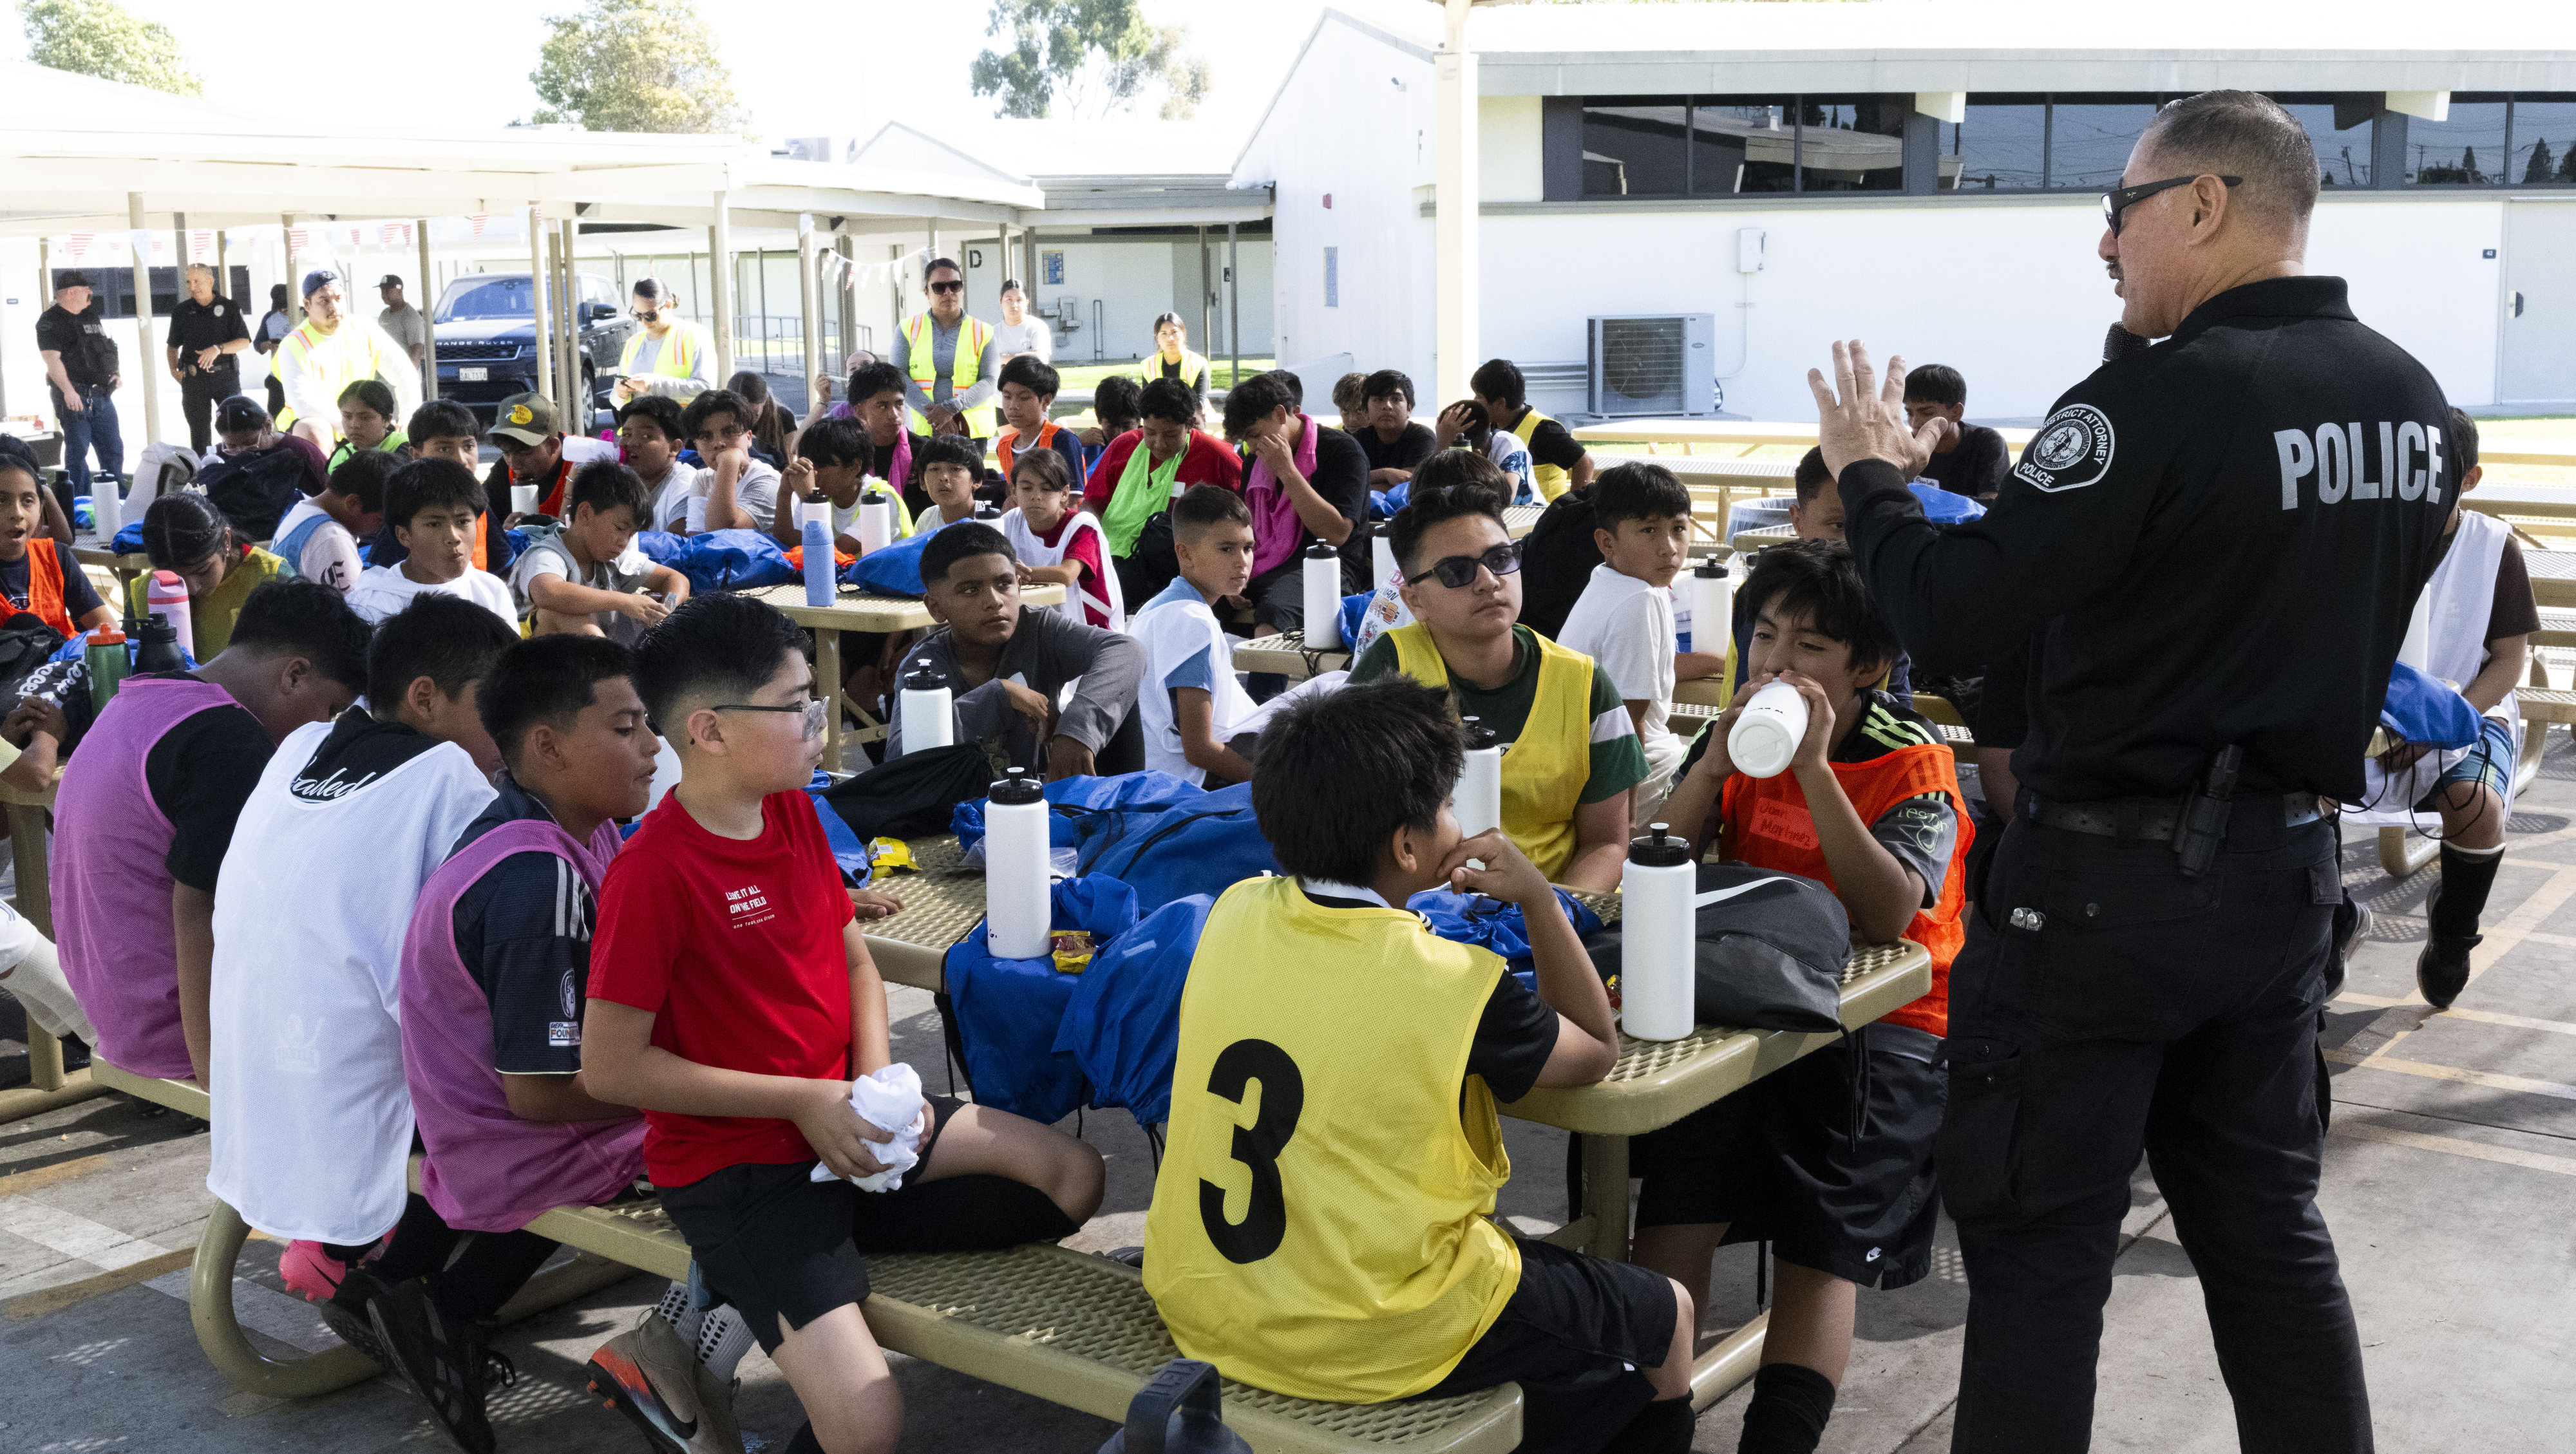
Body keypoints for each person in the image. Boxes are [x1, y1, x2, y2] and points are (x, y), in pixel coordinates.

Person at [1814, 90, 2451, 1450]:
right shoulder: (2406, 400)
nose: (2104, 247)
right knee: (2266, 1234)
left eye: (2118, 215)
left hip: (2102, 891)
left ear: (2204, 204)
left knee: (2042, 1253)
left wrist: (1868, 481)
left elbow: (1959, 612)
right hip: (2280, 875)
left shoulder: (2147, 401)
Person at [582, 593, 1105, 1454]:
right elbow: (611, 1068)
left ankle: (809, 1266)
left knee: (1073, 1175)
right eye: (798, 709)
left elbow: (853, 955)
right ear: (708, 731)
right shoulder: (655, 871)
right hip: (744, 1169)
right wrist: (804, 1103)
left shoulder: (787, 804)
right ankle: (772, 1272)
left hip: (847, 1121)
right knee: (867, 1422)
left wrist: (875, 1081)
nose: (820, 726)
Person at [1145, 676, 1694, 1451]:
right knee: (1665, 1313)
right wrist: (1538, 898)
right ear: (1409, 846)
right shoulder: (1453, 981)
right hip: (1368, 1327)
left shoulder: (1234, 910)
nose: (1455, 822)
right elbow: (1594, 1049)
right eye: (1444, 807)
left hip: (1203, 1296)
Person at [1633, 540, 1969, 1454]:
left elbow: (1889, 911)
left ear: (1869, 668)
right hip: (1744, 996)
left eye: (1811, 647)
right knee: (1676, 1200)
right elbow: (1654, 861)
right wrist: (1710, 766)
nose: (1776, 665)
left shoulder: (1914, 759)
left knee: (1821, 1245)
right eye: (1765, 636)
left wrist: (1815, 768)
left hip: (1884, 1020)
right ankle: (1652, 1426)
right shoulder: (1732, 731)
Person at [203, 596, 518, 1449]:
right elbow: (492, 968)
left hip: (254, 1070)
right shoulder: (451, 781)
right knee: (561, 1091)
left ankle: (382, 1271)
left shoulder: (301, 747)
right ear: (425, 697)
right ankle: (437, 1297)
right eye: (497, 708)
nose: (512, 732)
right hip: (358, 1091)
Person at [389, 634, 660, 1451]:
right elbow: (537, 1095)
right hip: (510, 1131)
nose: (654, 747)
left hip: (471, 1111)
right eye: (626, 728)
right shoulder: (535, 878)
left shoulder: (565, 821)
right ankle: (455, 1307)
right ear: (547, 744)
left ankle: (419, 1290)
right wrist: (697, 1078)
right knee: (747, 1134)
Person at [52, 578, 368, 1086]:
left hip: (113, 1011)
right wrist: (218, 1071)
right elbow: (201, 905)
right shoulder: (228, 740)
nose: (324, 731)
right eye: (330, 711)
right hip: (181, 1033)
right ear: (295, 675)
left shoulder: (139, 696)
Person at [1348, 466, 1645, 894]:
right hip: (1426, 918)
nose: (1488, 582)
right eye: (1456, 571)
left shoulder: (1584, 683)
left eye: (1501, 559)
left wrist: (1551, 920)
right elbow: (1355, 821)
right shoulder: (1390, 673)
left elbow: (1608, 842)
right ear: (1415, 600)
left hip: (1556, 908)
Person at [2366, 409, 2530, 1008]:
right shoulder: (2367, 536)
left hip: (2468, 710)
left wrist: (2437, 721)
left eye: (2439, 477)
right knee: (2306, 793)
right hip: (2372, 714)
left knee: (2476, 806)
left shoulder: (2492, 547)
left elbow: (2509, 663)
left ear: (2470, 479)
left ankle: (2454, 933)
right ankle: (2329, 928)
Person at [888, 521, 1143, 779]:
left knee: (1116, 694)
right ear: (935, 607)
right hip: (959, 814)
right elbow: (900, 758)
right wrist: (1001, 695)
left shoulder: (1038, 627)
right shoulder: (922, 667)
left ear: (1019, 587)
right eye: (970, 590)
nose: (994, 601)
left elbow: (1126, 650)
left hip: (1038, 805)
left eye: (1004, 584)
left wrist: (1076, 731)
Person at [1555, 462, 1721, 824]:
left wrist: (1715, 663)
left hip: (1587, 757)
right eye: (1649, 530)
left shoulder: (1618, 579)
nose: (1669, 548)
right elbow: (1629, 719)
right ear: (1606, 541)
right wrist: (1624, 819)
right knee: (1736, 783)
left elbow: (1649, 667)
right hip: (1628, 771)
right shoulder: (1638, 600)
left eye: (1678, 528)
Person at [1224, 369, 1373, 639]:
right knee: (1200, 599)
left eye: (1255, 434)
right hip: (1265, 562)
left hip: (1327, 566)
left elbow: (1337, 534)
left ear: (1281, 415)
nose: (1253, 446)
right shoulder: (1255, 460)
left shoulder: (1342, 451)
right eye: (1246, 440)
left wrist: (1289, 472)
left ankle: (1265, 683)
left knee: (1273, 614)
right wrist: (1232, 573)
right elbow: (1242, 525)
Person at [1128, 485, 1262, 786]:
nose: (1242, 561)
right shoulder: (1190, 620)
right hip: (1184, 783)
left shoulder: (1160, 606)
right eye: (1226, 549)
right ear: (1185, 554)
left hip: (1154, 774)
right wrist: (1271, 785)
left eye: (1248, 547)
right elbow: (1199, 749)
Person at [1084, 376, 1243, 606]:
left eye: (1170, 435)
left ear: (1189, 425)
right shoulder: (1123, 446)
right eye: (1150, 433)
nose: (1159, 443)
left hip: (1179, 571)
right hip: (1112, 559)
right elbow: (1091, 503)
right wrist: (1093, 542)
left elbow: (1247, 515)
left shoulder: (1217, 455)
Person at [511, 460, 690, 643]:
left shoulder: (613, 559)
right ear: (585, 513)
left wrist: (666, 612)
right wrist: (625, 601)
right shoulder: (545, 554)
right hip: (532, 660)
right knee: (565, 611)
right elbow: (548, 592)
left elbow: (675, 578)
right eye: (620, 529)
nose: (624, 542)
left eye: (632, 534)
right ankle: (617, 668)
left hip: (588, 663)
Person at [348, 458, 519, 627]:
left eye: (463, 521)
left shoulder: (490, 591)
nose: (453, 537)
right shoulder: (371, 605)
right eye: (434, 524)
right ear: (404, 535)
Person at [272, 269, 422, 451]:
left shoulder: (364, 328)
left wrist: (407, 418)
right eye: (324, 301)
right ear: (307, 304)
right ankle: (323, 479)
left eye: (338, 298)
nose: (334, 307)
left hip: (361, 421)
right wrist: (357, 424)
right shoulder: (292, 344)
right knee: (314, 429)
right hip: (320, 425)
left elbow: (404, 373)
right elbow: (304, 405)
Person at [133, 494, 290, 657]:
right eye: (175, 578)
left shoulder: (272, 579)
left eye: (203, 571)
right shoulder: (148, 589)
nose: (192, 589)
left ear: (226, 541)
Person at [0, 438, 115, 637]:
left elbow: (106, 625)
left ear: (40, 507)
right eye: (1, 500)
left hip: (65, 667)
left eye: (28, 501)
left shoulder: (56, 557)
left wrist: (75, 652)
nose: (17, 513)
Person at [999, 448, 1121, 630]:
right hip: (1038, 625)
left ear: (1064, 494)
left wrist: (1009, 572)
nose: (1036, 496)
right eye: (1026, 488)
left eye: (1046, 489)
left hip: (1091, 630)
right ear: (1013, 491)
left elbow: (1066, 575)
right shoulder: (1009, 521)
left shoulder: (1082, 526)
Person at [37, 270, 123, 502]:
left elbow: (105, 348)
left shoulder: (90, 315)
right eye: (86, 289)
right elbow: (52, 360)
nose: (91, 293)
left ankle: (116, 499)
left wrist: (115, 373)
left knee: (113, 449)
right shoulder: (49, 321)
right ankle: (78, 503)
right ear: (71, 292)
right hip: (75, 394)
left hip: (101, 394)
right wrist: (68, 392)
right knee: (78, 453)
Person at [1456, 359, 1593, 502]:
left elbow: (1585, 463)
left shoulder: (1544, 431)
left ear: (1500, 403)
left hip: (1543, 514)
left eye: (1479, 397)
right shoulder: (1491, 425)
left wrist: (1576, 507)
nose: (1474, 401)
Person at [895, 256, 996, 444]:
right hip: (924, 429)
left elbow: (990, 381)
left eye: (955, 285)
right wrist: (936, 417)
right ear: (926, 292)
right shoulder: (907, 328)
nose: (948, 292)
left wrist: (951, 409)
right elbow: (898, 375)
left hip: (971, 429)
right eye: (939, 288)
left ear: (962, 288)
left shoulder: (984, 331)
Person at [777, 416, 902, 558]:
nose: (812, 473)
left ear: (854, 466)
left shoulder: (882, 499)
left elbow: (829, 556)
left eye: (822, 465)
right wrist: (784, 492)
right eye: (808, 464)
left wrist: (810, 501)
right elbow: (787, 543)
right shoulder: (821, 495)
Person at [273, 449, 390, 594]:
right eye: (380, 520)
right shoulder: (331, 538)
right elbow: (356, 609)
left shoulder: (304, 509)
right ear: (353, 503)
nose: (380, 530)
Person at [166, 263, 252, 455]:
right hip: (194, 380)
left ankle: (237, 470)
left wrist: (218, 349)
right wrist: (174, 370)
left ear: (211, 281)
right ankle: (205, 476)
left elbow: (244, 342)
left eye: (197, 281)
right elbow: (172, 347)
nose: (192, 286)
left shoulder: (229, 307)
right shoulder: (182, 311)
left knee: (235, 427)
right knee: (199, 435)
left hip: (225, 377)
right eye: (189, 282)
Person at [679, 388, 783, 534]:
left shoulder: (768, 480)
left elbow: (725, 532)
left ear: (749, 438)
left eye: (729, 432)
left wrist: (729, 462)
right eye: (706, 437)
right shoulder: (703, 478)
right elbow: (697, 539)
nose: (719, 443)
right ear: (697, 447)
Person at [1899, 364, 2007, 500]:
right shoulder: (1906, 447)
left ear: (1956, 412)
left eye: (1927, 413)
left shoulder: (1987, 443)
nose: (1914, 423)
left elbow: (1992, 503)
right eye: (1909, 414)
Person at [611, 277, 717, 406]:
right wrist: (621, 394)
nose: (644, 322)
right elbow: (615, 400)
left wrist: (654, 384)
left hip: (680, 425)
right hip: (641, 424)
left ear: (668, 305)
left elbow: (706, 389)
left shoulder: (695, 335)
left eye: (651, 315)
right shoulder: (632, 343)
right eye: (638, 316)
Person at [618, 395, 703, 536]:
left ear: (674, 448)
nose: (631, 443)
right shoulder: (623, 479)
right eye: (627, 435)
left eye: (646, 436)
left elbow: (677, 548)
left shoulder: (686, 484)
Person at [992, 354, 1083, 483]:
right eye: (1007, 397)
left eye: (1024, 398)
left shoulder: (1063, 440)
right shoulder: (1004, 447)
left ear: (1046, 401)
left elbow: (1072, 498)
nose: (1013, 406)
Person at [1434, 398, 1538, 504]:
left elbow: (1505, 499)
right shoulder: (1444, 448)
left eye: (1447, 452)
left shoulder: (1509, 446)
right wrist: (1440, 447)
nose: (1445, 457)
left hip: (1528, 514)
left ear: (1476, 454)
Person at [1356, 369, 1437, 489]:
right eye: (1378, 400)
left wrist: (1365, 482)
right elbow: (1344, 479)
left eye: (1396, 399)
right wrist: (1386, 473)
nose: (1387, 406)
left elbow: (1406, 487)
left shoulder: (1423, 437)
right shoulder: (1359, 438)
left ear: (1409, 408)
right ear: (1366, 410)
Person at [1137, 312, 1211, 420]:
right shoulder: (1148, 365)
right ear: (1157, 337)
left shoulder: (1198, 363)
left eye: (1174, 332)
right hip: (1159, 420)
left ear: (1183, 334)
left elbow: (1199, 402)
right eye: (1164, 334)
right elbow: (1146, 402)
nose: (1170, 338)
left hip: (1192, 419)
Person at [906, 435, 984, 537]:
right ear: (922, 481)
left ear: (976, 480)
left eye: (955, 469)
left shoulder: (989, 520)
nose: (944, 477)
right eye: (934, 469)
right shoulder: (927, 519)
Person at [327, 379, 408, 472]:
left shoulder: (406, 449)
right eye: (347, 416)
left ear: (387, 420)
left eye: (365, 418)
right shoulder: (342, 455)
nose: (354, 425)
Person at [726, 369, 795, 466]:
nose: (746, 421)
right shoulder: (720, 420)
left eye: (754, 414)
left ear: (764, 401)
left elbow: (790, 464)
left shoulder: (783, 417)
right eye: (737, 414)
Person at [1077, 374, 1142, 471]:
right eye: (1111, 426)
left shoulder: (1148, 445)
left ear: (1139, 420)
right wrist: (1076, 444)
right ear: (1099, 419)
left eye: (1126, 426)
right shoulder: (1088, 447)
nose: (1119, 434)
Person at [254, 283, 294, 420]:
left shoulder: (305, 314)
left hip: (300, 373)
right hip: (277, 376)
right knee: (275, 416)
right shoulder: (270, 318)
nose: (283, 311)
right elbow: (257, 344)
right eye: (280, 307)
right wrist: (267, 345)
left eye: (286, 307)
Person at [992, 279, 1052, 365]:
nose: (1014, 305)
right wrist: (1028, 357)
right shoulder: (993, 332)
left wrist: (1005, 358)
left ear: (1027, 302)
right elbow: (987, 363)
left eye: (1019, 300)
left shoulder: (1037, 326)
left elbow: (1041, 358)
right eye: (1009, 300)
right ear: (1001, 302)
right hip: (1003, 379)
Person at [376, 274, 428, 373]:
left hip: (402, 377)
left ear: (399, 291)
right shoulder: (384, 314)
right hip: (386, 376)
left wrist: (406, 378)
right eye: (382, 291)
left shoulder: (411, 317)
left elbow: (416, 354)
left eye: (387, 291)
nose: (383, 295)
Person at [1330, 371, 1370, 435]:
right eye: (1345, 410)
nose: (1352, 419)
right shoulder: (1333, 436)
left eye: (1359, 410)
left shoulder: (1386, 436)